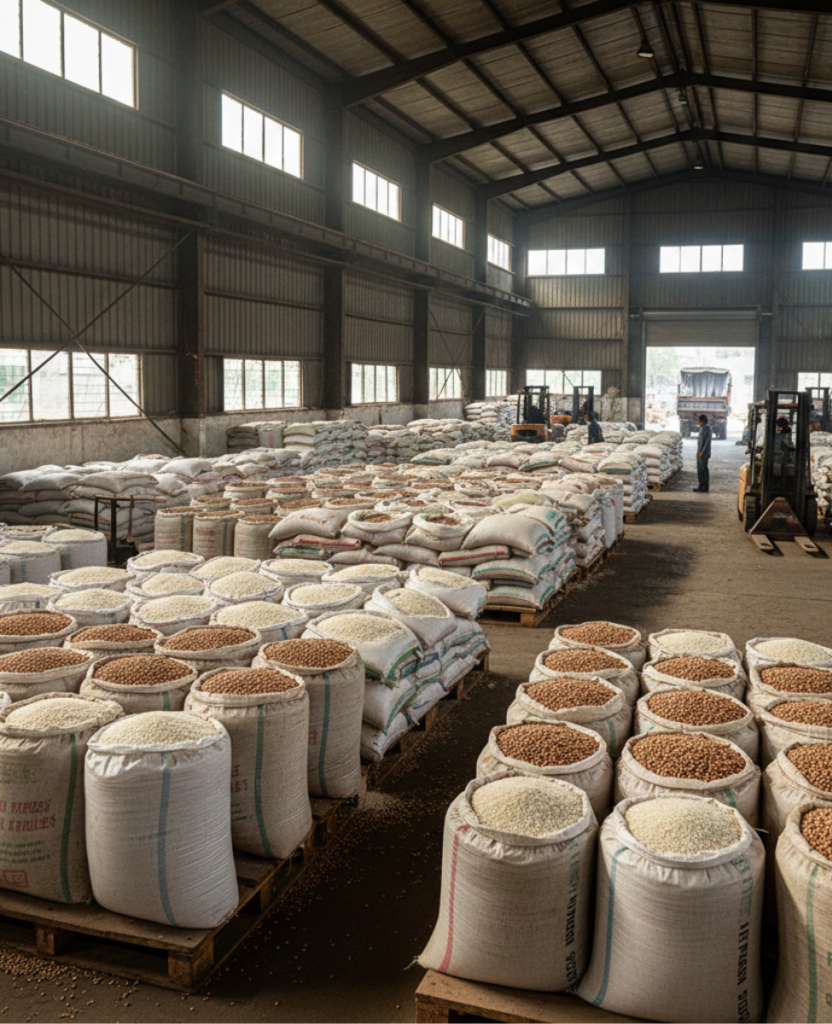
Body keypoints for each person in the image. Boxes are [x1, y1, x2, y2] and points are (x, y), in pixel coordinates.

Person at [693, 414, 712, 492]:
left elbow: (707, 442)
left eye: (699, 421)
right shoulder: (703, 429)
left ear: (701, 421)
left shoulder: (707, 429)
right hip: (700, 452)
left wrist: (702, 452)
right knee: (700, 470)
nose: (698, 422)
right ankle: (701, 486)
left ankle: (704, 487)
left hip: (703, 453)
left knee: (703, 470)